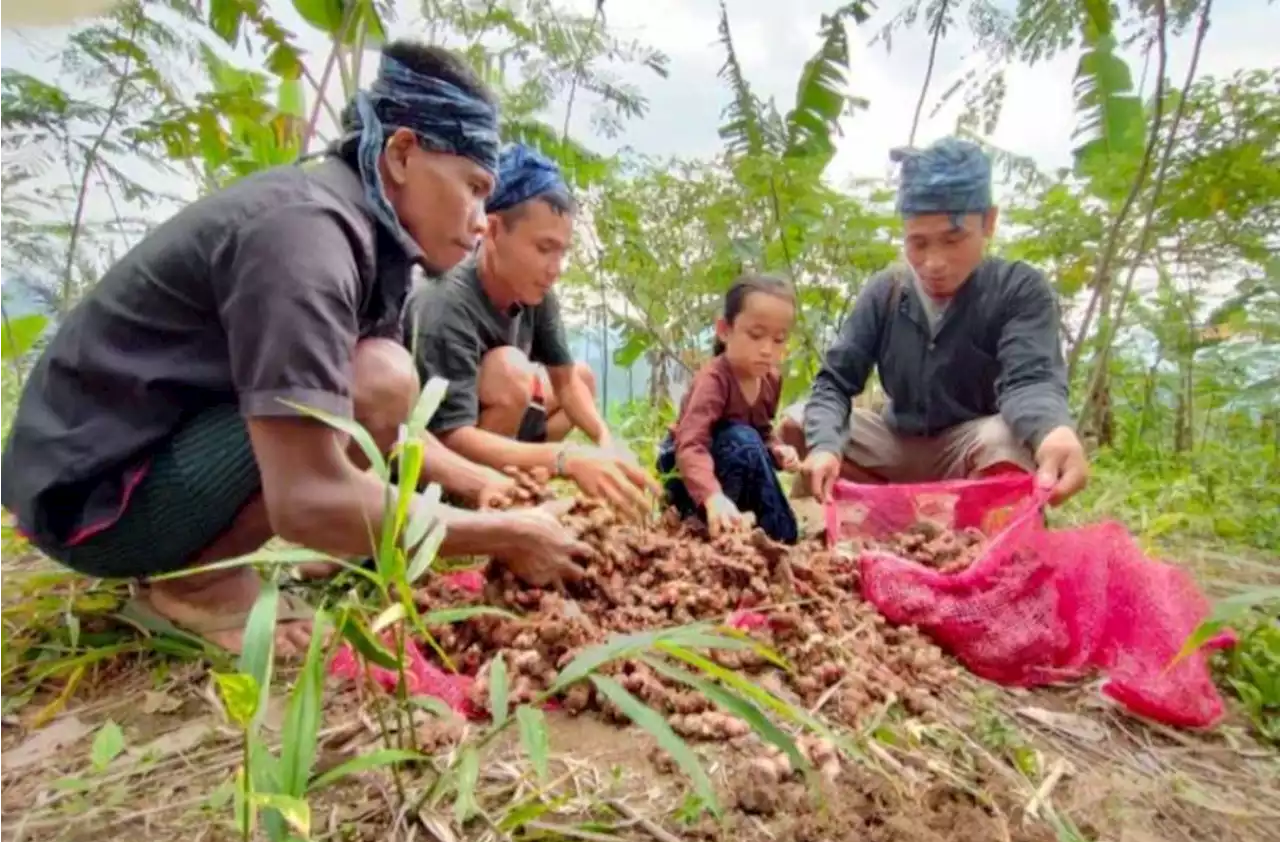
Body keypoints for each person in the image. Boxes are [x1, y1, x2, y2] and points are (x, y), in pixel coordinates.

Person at [0, 41, 593, 656]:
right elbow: (306, 497)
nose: (478, 219)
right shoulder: (306, 239)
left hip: (148, 459)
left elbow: (384, 432)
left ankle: (227, 558)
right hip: (95, 505)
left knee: (383, 376)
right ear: (403, 153)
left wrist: (479, 486)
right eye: (472, 187)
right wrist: (504, 534)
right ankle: (196, 586)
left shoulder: (362, 238)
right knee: (379, 381)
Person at [783, 137, 1089, 505]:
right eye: (919, 243)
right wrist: (826, 447)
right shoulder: (887, 291)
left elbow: (1031, 380)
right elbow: (834, 382)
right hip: (896, 444)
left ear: (988, 222)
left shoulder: (1017, 289)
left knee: (1007, 443)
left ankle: (973, 532)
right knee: (801, 425)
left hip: (970, 448)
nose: (934, 262)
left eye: (952, 239)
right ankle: (847, 519)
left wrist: (1052, 431)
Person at [404, 143, 656, 518]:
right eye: (543, 248)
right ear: (493, 229)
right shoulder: (445, 301)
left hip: (496, 429)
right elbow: (447, 434)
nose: (555, 267)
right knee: (509, 370)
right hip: (435, 459)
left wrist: (605, 441)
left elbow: (567, 384)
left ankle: (520, 481)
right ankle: (473, 496)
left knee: (581, 380)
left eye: (562, 252)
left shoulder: (536, 292)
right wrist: (566, 458)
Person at [656, 274, 800, 543]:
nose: (767, 350)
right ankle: (704, 525)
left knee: (785, 533)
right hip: (691, 475)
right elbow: (690, 445)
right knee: (742, 439)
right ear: (724, 330)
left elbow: (763, 430)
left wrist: (777, 449)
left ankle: (772, 536)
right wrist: (712, 497)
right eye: (756, 335)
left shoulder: (770, 379)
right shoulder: (714, 381)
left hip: (736, 466)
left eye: (779, 339)